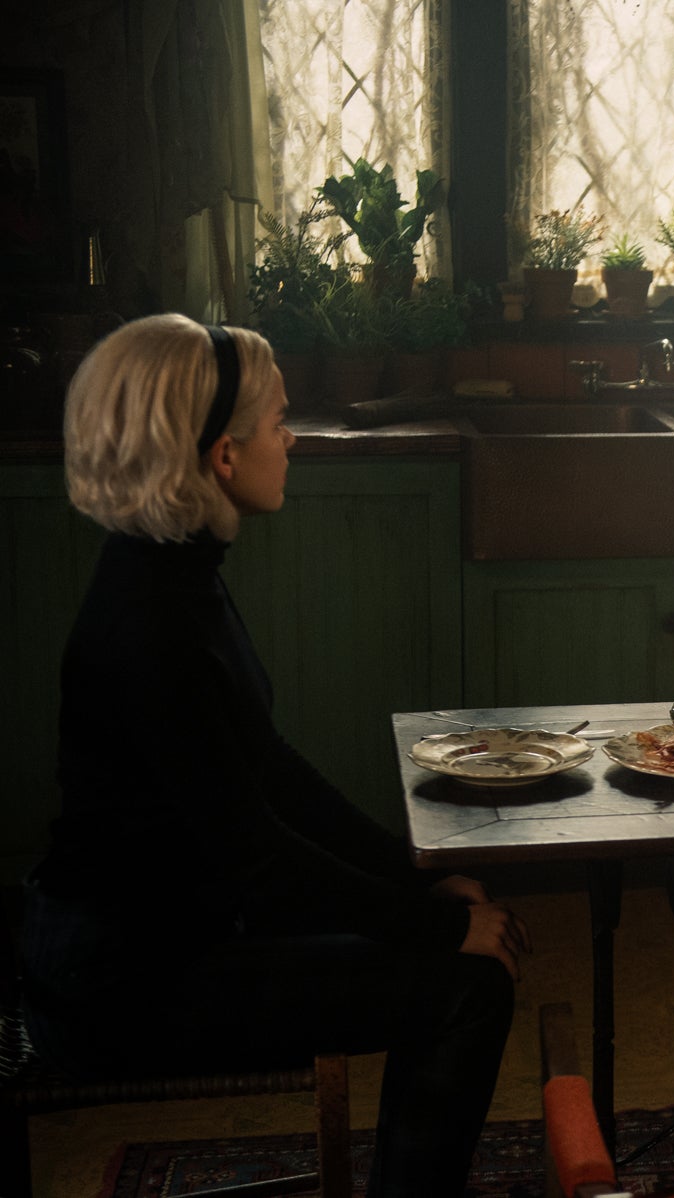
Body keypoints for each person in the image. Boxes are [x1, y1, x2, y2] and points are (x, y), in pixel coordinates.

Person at [19, 315, 529, 1196]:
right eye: (277, 423)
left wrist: (417, 874)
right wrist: (435, 924)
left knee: (449, 960)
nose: (289, 440)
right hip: (123, 981)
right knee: (465, 988)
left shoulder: (169, 567)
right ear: (223, 455)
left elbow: (270, 771)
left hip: (172, 931)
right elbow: (256, 856)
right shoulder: (153, 620)